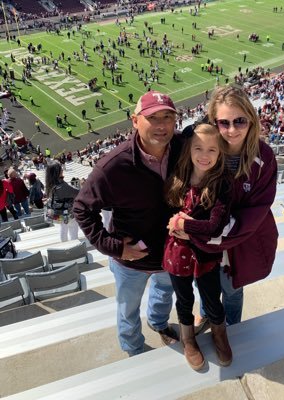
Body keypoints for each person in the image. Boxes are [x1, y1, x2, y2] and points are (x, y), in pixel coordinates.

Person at [73, 91, 183, 357]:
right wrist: (113, 247)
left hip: (170, 253)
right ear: (135, 121)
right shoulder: (112, 166)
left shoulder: (184, 148)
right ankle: (133, 348)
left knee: (164, 295)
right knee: (128, 309)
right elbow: (82, 208)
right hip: (131, 260)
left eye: (168, 117)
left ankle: (158, 324)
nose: (161, 125)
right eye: (152, 117)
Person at [184, 86, 278, 330]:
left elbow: (254, 212)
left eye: (240, 121)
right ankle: (207, 319)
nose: (232, 130)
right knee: (205, 288)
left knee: (233, 291)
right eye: (224, 123)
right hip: (204, 242)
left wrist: (201, 233)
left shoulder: (264, 156)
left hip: (238, 243)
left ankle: (233, 329)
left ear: (251, 118)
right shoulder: (204, 151)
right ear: (213, 123)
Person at [163, 123, 232, 370]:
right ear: (188, 149)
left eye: (212, 150)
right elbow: (167, 216)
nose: (204, 155)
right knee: (183, 299)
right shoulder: (178, 177)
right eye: (198, 148)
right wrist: (179, 223)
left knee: (212, 298)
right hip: (177, 254)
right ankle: (188, 338)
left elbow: (214, 226)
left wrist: (184, 224)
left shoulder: (222, 183)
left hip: (205, 255)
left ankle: (219, 334)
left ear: (220, 152)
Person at [45, 161, 79, 242]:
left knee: (63, 228)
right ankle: (74, 245)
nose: (62, 170)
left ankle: (64, 244)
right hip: (67, 214)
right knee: (73, 228)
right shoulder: (61, 186)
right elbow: (77, 193)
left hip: (58, 214)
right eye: (61, 169)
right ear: (57, 172)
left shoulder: (50, 184)